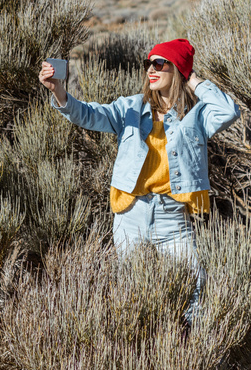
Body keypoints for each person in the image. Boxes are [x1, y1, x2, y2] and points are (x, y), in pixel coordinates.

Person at [38, 38, 240, 326]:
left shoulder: (197, 116)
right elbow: (89, 115)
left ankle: (188, 348)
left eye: (160, 63)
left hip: (173, 218)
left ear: (178, 70)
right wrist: (59, 91)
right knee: (131, 290)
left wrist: (194, 80)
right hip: (130, 214)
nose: (151, 69)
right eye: (149, 63)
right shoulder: (131, 108)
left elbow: (229, 111)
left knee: (194, 288)